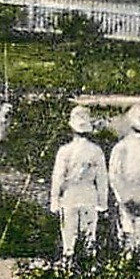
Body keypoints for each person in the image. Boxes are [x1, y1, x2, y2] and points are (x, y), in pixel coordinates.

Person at [50, 105, 108, 259]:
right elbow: (102, 179)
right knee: (89, 235)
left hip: (70, 195)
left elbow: (58, 178)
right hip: (89, 194)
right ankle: (88, 267)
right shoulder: (96, 151)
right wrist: (102, 202)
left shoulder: (65, 151)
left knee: (69, 235)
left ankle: (68, 266)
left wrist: (54, 201)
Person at [108, 104, 140, 255]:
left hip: (126, 194)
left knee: (127, 238)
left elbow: (115, 176)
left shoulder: (121, 147)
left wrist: (124, 199)